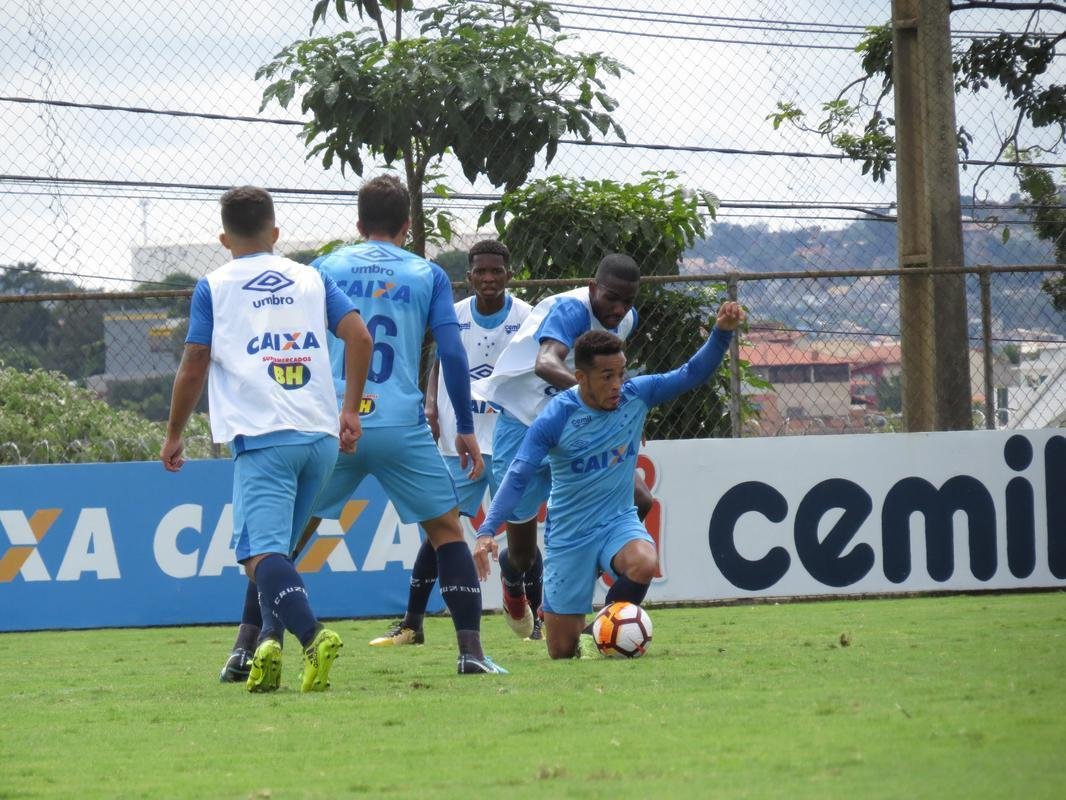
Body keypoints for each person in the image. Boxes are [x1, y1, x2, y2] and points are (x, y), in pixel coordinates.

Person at [218, 175, 506, 675]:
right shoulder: (427, 273)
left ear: (357, 223)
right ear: (407, 224)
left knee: (278, 543)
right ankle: (471, 655)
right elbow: (452, 353)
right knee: (446, 531)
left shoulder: (324, 267)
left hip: (333, 423)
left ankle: (253, 647)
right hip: (400, 424)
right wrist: (462, 427)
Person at [163, 185, 373, 692]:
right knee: (275, 556)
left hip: (263, 437)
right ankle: (261, 651)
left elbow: (194, 362)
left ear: (223, 238)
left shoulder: (214, 285)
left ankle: (313, 635)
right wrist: (350, 411)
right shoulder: (313, 277)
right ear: (276, 233)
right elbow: (360, 337)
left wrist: (174, 434)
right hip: (319, 437)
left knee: (261, 557)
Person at [476, 301, 746, 658]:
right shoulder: (557, 415)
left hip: (617, 521)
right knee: (560, 650)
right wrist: (485, 531)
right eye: (608, 377)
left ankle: (598, 636)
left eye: (621, 373)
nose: (618, 385)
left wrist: (722, 332)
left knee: (644, 562)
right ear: (581, 377)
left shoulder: (637, 395)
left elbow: (690, 373)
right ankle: (583, 636)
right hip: (570, 534)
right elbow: (519, 473)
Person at [470, 254, 653, 638]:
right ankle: (510, 571)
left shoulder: (624, 320)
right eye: (610, 298)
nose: (618, 309)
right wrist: (593, 398)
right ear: (592, 289)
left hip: (573, 429)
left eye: (627, 300)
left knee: (639, 498)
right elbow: (545, 362)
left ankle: (598, 629)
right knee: (522, 555)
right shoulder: (571, 310)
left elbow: (610, 376)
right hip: (522, 424)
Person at [368, 239, 533, 647]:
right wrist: (429, 403)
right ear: (469, 276)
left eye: (497, 270)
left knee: (523, 538)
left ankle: (539, 615)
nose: (489, 278)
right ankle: (412, 623)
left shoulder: (527, 318)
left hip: (509, 439)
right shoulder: (455, 314)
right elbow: (440, 363)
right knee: (439, 530)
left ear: (508, 274)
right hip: (460, 442)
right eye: (481, 271)